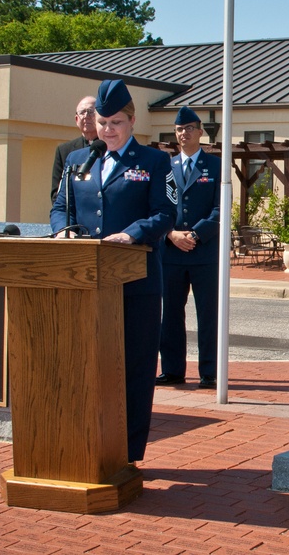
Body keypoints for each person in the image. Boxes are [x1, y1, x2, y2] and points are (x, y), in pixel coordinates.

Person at [50, 79, 176, 463]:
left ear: (132, 121)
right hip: (85, 281)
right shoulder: (78, 161)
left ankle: (127, 452)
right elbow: (60, 207)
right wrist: (62, 232)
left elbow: (166, 214)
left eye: (116, 122)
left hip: (135, 280)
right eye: (103, 122)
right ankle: (85, 443)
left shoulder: (154, 162)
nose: (107, 129)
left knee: (134, 369)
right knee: (84, 364)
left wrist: (132, 234)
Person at [157, 107, 222, 389]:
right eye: (180, 129)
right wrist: (171, 234)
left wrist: (194, 234)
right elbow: (157, 208)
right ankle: (172, 369)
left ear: (200, 132)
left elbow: (221, 209)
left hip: (203, 252)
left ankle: (209, 371)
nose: (185, 134)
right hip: (171, 252)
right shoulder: (165, 168)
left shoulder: (216, 166)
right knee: (170, 313)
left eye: (190, 128)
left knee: (208, 313)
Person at [50, 95, 99, 203]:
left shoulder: (109, 146)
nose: (86, 116)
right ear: (77, 119)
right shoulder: (65, 151)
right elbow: (56, 194)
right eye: (82, 112)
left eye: (91, 112)